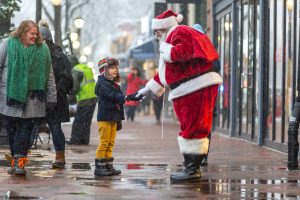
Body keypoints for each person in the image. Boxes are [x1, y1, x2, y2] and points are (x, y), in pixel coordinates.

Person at [136, 10, 222, 182]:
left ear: (163, 27)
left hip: (194, 87)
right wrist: (146, 90)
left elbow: (184, 52)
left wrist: (166, 50)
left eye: (156, 31)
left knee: (193, 127)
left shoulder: (178, 32)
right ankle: (191, 166)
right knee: (191, 127)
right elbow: (166, 73)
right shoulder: (171, 37)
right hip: (189, 88)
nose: (155, 35)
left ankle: (192, 169)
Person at [0, 20, 56, 175]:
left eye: (36, 33)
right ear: (23, 32)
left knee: (25, 132)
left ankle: (19, 164)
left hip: (33, 99)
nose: (35, 36)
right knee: (12, 132)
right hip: (9, 97)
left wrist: (52, 97)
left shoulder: (42, 49)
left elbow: (49, 75)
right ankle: (16, 162)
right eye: (32, 33)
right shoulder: (7, 44)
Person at [94, 57, 142, 176]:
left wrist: (119, 119)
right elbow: (114, 97)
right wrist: (128, 97)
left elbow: (119, 101)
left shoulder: (114, 85)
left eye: (115, 67)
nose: (115, 70)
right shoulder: (103, 84)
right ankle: (99, 167)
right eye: (111, 68)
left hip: (113, 118)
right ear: (104, 70)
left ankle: (108, 166)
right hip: (105, 118)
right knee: (104, 142)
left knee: (110, 142)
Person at [39, 21, 73, 168]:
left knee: (54, 127)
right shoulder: (40, 53)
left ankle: (60, 156)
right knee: (29, 127)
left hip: (55, 99)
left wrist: (55, 91)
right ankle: (21, 159)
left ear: (47, 39)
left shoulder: (58, 56)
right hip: (38, 97)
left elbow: (67, 79)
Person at [66, 57, 97, 145]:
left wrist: (70, 101)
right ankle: (84, 140)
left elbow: (74, 87)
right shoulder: (85, 67)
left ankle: (75, 140)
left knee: (78, 121)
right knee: (86, 121)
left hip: (85, 99)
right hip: (93, 98)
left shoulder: (76, 70)